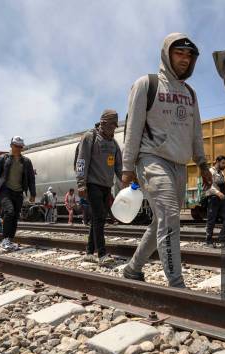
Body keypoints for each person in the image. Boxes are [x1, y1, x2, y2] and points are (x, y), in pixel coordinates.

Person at [121, 33, 212, 288]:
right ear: (167, 54)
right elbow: (133, 127)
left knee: (162, 219)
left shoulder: (190, 93)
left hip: (180, 164)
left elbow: (195, 132)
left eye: (189, 56)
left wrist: (203, 164)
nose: (184, 59)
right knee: (171, 215)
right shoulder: (146, 84)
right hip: (152, 158)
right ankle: (176, 283)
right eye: (179, 53)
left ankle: (133, 268)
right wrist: (127, 168)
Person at [76, 110, 122, 265]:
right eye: (111, 125)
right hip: (92, 184)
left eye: (115, 126)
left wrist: (128, 182)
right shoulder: (90, 137)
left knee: (97, 218)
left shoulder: (114, 143)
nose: (113, 129)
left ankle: (89, 252)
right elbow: (81, 161)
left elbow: (119, 167)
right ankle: (102, 254)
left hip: (106, 186)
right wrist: (81, 184)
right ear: (102, 123)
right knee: (100, 217)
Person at [0, 136, 36, 251]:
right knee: (9, 212)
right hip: (5, 191)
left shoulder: (26, 161)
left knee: (15, 216)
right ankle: (5, 239)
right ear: (11, 145)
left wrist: (33, 194)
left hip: (18, 192)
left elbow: (31, 178)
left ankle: (10, 240)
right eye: (16, 146)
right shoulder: (2, 159)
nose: (18, 148)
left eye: (20, 146)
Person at [205, 155, 225, 246]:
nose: (224, 165)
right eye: (223, 163)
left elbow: (222, 183)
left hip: (222, 199)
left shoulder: (221, 173)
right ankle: (208, 239)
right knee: (211, 219)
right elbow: (208, 185)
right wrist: (217, 193)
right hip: (213, 198)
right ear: (217, 162)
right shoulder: (210, 171)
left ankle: (222, 237)